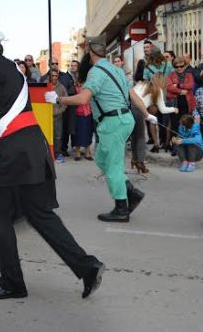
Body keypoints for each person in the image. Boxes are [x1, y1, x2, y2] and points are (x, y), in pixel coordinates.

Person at [0, 24, 105, 300]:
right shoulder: (11, 69)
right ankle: (87, 267)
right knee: (41, 215)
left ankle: (12, 282)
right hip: (31, 151)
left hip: (11, 156)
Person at [48, 34, 156, 223]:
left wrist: (58, 99)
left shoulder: (96, 72)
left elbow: (83, 99)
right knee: (101, 158)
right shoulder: (117, 70)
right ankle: (129, 191)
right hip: (124, 119)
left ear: (89, 50)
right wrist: (147, 115)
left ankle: (122, 208)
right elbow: (133, 96)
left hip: (113, 122)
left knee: (113, 166)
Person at [132, 73, 176, 153]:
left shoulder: (142, 84)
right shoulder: (158, 89)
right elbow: (163, 109)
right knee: (140, 136)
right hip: (140, 110)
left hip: (131, 108)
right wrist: (174, 109)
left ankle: (155, 145)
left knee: (135, 135)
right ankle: (140, 158)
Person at [166, 57, 195, 150]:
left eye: (181, 66)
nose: (179, 68)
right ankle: (174, 146)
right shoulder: (171, 75)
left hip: (186, 103)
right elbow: (169, 87)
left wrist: (178, 85)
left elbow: (190, 85)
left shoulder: (189, 74)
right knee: (174, 125)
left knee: (186, 124)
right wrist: (181, 91)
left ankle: (185, 144)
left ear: (184, 65)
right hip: (174, 103)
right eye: (176, 66)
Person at [73, 56, 94, 161]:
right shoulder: (77, 83)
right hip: (79, 111)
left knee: (88, 132)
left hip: (89, 111)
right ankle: (77, 152)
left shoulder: (91, 81)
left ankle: (87, 152)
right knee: (79, 133)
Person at [50, 70, 68, 163]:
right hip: (46, 117)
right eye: (52, 75)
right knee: (46, 136)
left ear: (58, 77)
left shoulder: (61, 88)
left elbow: (65, 101)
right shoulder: (45, 85)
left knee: (58, 136)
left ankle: (58, 154)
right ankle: (48, 154)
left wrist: (60, 111)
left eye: (55, 75)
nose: (54, 77)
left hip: (57, 116)